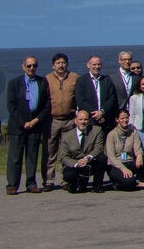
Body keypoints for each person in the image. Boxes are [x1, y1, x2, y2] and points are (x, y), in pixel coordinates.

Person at [5, 55, 50, 195]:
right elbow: (11, 106)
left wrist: (36, 120)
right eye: (29, 66)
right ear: (23, 66)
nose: (32, 68)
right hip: (18, 126)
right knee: (15, 157)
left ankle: (31, 183)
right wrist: (23, 122)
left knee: (32, 155)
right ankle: (12, 184)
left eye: (34, 66)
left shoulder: (42, 82)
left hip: (35, 124)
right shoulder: (14, 83)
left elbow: (47, 105)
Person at [44, 52, 78, 191]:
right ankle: (49, 180)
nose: (61, 65)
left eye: (63, 62)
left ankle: (65, 179)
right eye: (58, 63)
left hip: (69, 120)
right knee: (50, 152)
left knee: (67, 152)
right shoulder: (47, 79)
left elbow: (78, 97)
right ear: (53, 65)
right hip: (53, 120)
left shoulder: (74, 77)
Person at [58, 110, 107, 193]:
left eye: (85, 119)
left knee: (102, 158)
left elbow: (99, 148)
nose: (83, 122)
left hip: (89, 162)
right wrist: (77, 164)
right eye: (80, 120)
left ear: (89, 121)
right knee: (70, 176)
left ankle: (97, 186)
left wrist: (87, 159)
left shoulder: (97, 130)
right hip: (75, 164)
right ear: (75, 121)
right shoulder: (66, 135)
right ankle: (74, 184)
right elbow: (63, 157)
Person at [75, 55, 118, 133]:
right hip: (89, 120)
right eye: (94, 64)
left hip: (105, 120)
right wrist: (96, 114)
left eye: (99, 64)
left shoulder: (107, 80)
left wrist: (102, 112)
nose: (97, 67)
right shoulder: (81, 81)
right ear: (88, 65)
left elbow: (112, 98)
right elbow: (81, 101)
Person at [105, 108, 144, 190]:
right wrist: (123, 169)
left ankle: (143, 180)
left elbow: (138, 148)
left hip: (129, 161)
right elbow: (111, 157)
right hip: (117, 165)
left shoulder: (133, 132)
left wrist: (139, 156)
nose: (125, 120)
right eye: (122, 118)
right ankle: (130, 182)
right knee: (128, 183)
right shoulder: (111, 135)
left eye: (126, 118)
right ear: (117, 120)